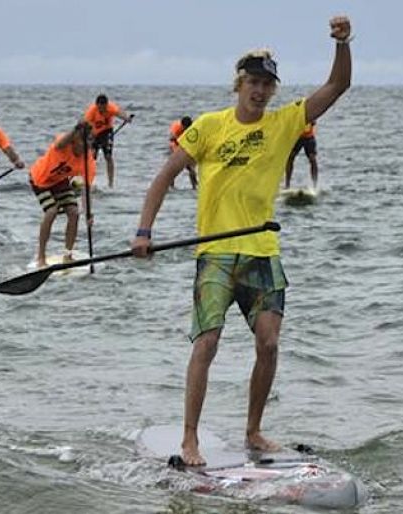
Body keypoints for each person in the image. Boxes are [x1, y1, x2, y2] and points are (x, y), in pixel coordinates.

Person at [131, 14, 353, 467]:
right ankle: (189, 439)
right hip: (216, 253)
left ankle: (253, 432)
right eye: (253, 81)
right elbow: (165, 176)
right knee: (207, 343)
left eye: (267, 84)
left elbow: (337, 86)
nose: (259, 90)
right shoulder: (209, 127)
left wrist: (343, 44)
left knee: (269, 343)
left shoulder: (284, 124)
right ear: (239, 83)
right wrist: (143, 231)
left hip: (261, 252)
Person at [29, 122, 96, 268]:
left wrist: (88, 213)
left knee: (74, 213)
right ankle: (41, 256)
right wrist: (76, 129)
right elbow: (61, 142)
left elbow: (86, 189)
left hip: (60, 182)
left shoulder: (88, 161)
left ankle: (68, 254)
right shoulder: (64, 144)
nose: (87, 145)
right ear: (74, 140)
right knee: (51, 211)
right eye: (83, 141)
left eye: (90, 141)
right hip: (40, 179)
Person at [83, 94, 133, 188]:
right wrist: (89, 139)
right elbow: (85, 127)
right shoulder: (91, 111)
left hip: (107, 132)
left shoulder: (111, 107)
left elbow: (120, 113)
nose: (102, 111)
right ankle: (88, 181)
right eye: (100, 109)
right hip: (94, 134)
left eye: (104, 108)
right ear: (97, 105)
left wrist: (126, 118)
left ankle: (110, 183)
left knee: (108, 156)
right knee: (92, 158)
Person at [284, 121, 318, 189]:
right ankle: (287, 185)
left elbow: (314, 121)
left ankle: (315, 185)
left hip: (309, 137)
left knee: (312, 159)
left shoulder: (310, 112)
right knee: (290, 157)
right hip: (296, 137)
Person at [168, 116, 198, 189]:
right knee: (174, 168)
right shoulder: (176, 127)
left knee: (191, 168)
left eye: (189, 128)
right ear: (183, 126)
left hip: (187, 147)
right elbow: (171, 138)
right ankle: (171, 186)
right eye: (186, 128)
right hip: (175, 146)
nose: (187, 130)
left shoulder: (193, 127)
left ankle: (194, 187)